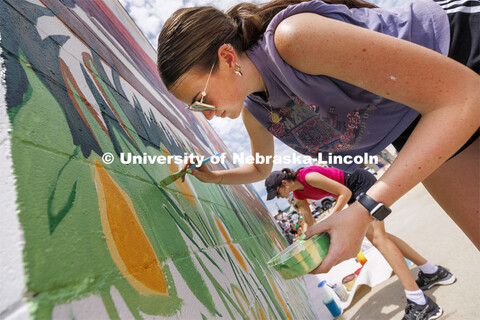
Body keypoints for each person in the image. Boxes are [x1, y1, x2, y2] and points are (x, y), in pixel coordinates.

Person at [156, 1, 479, 317]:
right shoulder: (256, 108)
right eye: (196, 109)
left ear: (227, 57)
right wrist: (214, 176)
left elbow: (464, 95)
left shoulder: (293, 38)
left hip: (461, 53)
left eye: (201, 100)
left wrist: (364, 210)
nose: (209, 116)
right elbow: (260, 168)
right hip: (419, 118)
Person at [265, 166, 455, 317]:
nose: (280, 197)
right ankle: (433, 271)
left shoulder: (308, 177)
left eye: (278, 193)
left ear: (284, 183)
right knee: (381, 237)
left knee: (379, 239)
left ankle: (420, 303)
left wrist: (333, 216)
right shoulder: (298, 195)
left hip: (361, 184)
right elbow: (308, 221)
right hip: (354, 194)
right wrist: (302, 244)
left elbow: (344, 192)